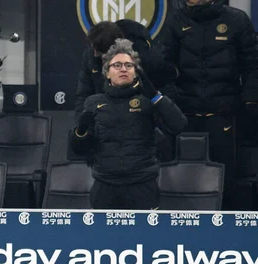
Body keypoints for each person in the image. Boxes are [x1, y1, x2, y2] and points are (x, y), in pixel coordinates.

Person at [162, 0, 258, 209]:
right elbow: (165, 66)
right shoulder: (176, 21)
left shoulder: (237, 20)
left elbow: (252, 66)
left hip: (225, 116)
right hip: (185, 116)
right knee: (184, 181)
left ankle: (229, 238)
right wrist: (172, 100)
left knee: (229, 183)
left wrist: (250, 101)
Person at [70, 39, 187, 210]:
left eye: (128, 65)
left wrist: (156, 96)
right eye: (117, 65)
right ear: (107, 73)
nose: (123, 69)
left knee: (144, 237)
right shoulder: (93, 103)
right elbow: (79, 150)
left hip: (142, 185)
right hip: (105, 186)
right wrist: (80, 132)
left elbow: (179, 125)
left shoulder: (149, 100)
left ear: (136, 72)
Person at [74, 20, 179, 161]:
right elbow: (83, 95)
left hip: (139, 124)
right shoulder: (91, 56)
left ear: (114, 49)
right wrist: (83, 126)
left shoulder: (143, 58)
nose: (95, 53)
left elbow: (166, 88)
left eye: (100, 50)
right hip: (105, 125)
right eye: (93, 47)